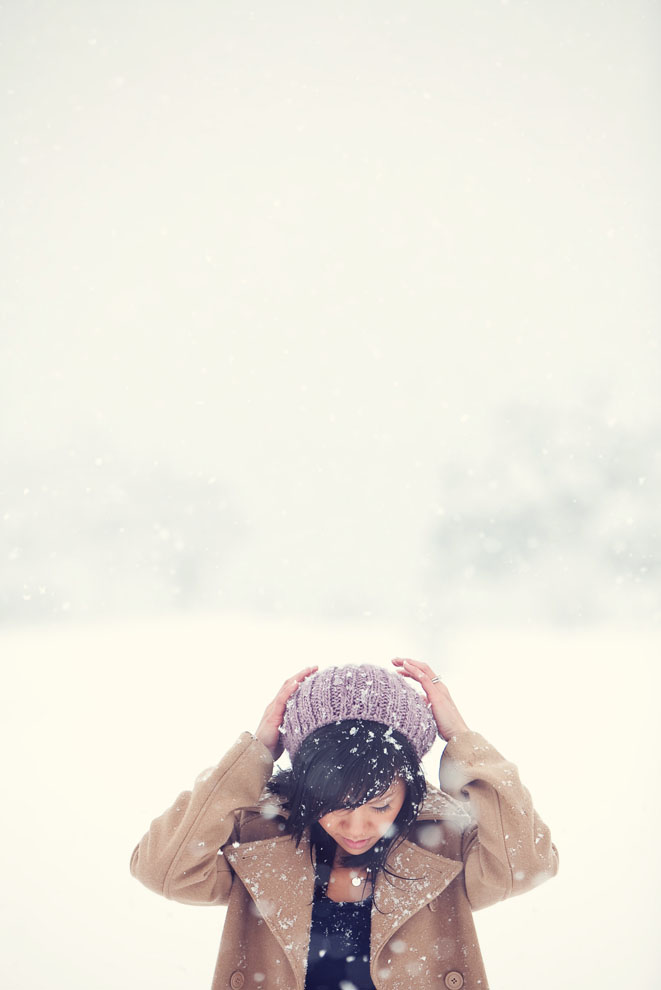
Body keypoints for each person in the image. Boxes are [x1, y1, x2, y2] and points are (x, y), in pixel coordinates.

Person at [130, 658, 559, 990]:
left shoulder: (443, 844)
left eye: (380, 804)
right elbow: (164, 870)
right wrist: (254, 753)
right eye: (335, 805)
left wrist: (463, 739)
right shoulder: (260, 840)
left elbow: (529, 862)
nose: (357, 827)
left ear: (409, 790)